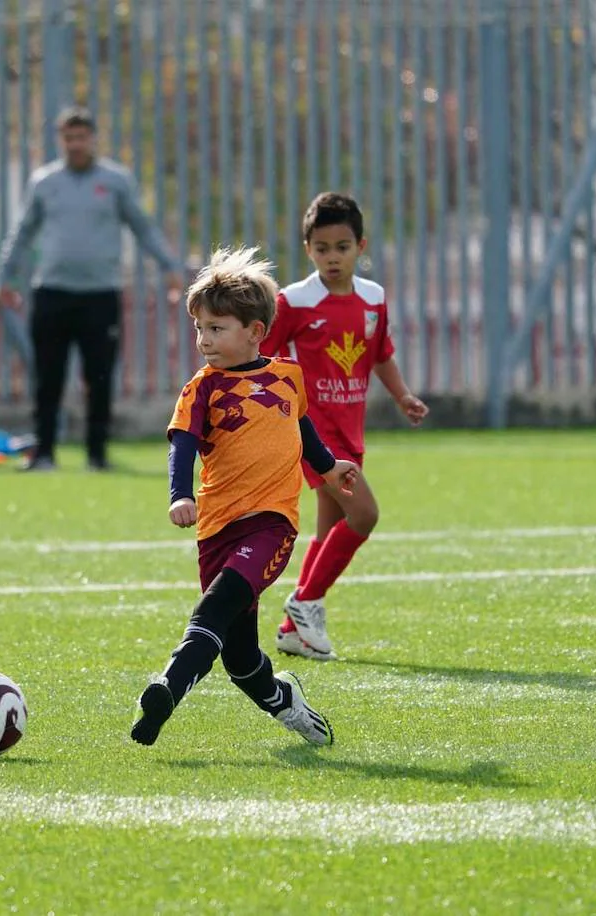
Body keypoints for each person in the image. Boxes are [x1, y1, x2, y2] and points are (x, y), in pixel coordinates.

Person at [130, 246, 357, 748]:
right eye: (200, 328)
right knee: (240, 659)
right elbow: (182, 445)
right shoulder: (201, 390)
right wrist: (179, 495)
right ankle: (286, 701)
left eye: (216, 328)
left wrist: (327, 466)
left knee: (220, 601)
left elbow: (304, 432)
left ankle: (168, 686)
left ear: (255, 331)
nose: (204, 339)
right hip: (217, 529)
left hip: (271, 523)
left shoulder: (286, 376)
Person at [259, 192, 428, 660]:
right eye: (322, 247)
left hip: (352, 431)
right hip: (314, 433)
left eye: (342, 247)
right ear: (307, 248)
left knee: (331, 527)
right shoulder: (293, 300)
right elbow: (267, 359)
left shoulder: (373, 299)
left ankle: (294, 629)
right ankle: (306, 600)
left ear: (360, 246)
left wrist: (403, 396)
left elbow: (381, 355)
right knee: (365, 514)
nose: (332, 257)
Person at [0, 106, 184, 472]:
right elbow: (22, 231)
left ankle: (97, 455)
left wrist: (169, 266)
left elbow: (142, 226)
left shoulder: (116, 181)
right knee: (47, 375)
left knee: (99, 376)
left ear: (93, 139)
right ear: (60, 140)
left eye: (82, 137)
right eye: (69, 137)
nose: (76, 144)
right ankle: (44, 453)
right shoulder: (44, 182)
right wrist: (5, 275)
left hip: (100, 294)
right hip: (51, 290)